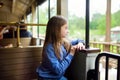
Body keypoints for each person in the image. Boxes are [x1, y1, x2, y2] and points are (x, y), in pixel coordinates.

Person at [36, 15, 85, 80]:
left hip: (57, 77)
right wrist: (71, 54)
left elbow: (79, 40)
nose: (68, 31)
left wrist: (80, 43)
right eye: (65, 28)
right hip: (47, 78)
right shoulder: (49, 48)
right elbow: (58, 70)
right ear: (57, 29)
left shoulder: (63, 42)